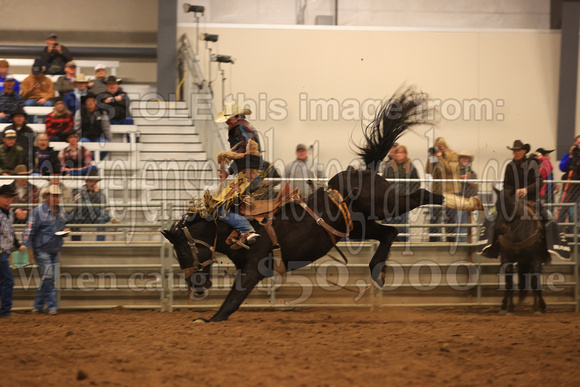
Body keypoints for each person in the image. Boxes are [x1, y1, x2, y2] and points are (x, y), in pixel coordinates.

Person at [480, 140, 569, 260]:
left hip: (531, 199)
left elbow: (539, 182)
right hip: (512, 200)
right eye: (514, 151)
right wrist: (513, 193)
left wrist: (526, 190)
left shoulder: (532, 164)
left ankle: (547, 250)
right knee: (493, 218)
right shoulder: (509, 166)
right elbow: (506, 184)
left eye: (518, 150)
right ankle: (492, 248)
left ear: (524, 151)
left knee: (549, 219)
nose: (516, 153)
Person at [23, 184, 70, 315]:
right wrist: (27, 247)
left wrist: (64, 231)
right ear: (46, 197)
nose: (56, 198)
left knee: (48, 278)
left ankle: (37, 306)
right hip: (41, 249)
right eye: (53, 196)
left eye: (57, 196)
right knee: (49, 276)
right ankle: (52, 306)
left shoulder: (60, 211)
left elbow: (62, 226)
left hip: (54, 248)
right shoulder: (37, 212)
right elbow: (28, 230)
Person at [0, 184, 27, 317]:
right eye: (5, 197)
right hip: (1, 253)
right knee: (8, 281)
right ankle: (5, 311)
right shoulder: (7, 213)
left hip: (5, 252)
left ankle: (5, 310)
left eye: (10, 197)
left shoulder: (9, 213)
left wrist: (18, 245)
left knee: (5, 281)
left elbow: (10, 232)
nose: (8, 200)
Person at [383, 145, 420, 242]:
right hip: (391, 200)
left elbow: (416, 183)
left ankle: (403, 242)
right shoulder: (389, 166)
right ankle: (389, 241)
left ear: (405, 154)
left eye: (401, 153)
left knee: (403, 222)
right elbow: (383, 181)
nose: (399, 155)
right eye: (397, 153)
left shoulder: (411, 166)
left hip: (404, 200)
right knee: (390, 221)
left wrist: (409, 194)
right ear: (394, 154)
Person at [425, 137, 459, 242]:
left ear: (444, 146)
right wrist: (431, 157)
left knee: (450, 216)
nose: (438, 149)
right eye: (436, 147)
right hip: (437, 190)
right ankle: (433, 239)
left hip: (450, 190)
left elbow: (450, 170)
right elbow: (428, 170)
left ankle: (451, 239)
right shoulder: (435, 155)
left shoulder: (452, 154)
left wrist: (441, 158)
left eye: (440, 147)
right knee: (434, 216)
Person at [71, 170, 119, 242]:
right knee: (86, 203)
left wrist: (96, 193)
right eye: (91, 181)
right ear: (86, 181)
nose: (93, 183)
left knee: (101, 220)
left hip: (95, 216)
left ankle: (100, 243)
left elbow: (103, 205)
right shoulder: (79, 191)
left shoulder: (99, 192)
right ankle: (109, 218)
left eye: (94, 182)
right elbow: (79, 204)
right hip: (82, 215)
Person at [557, 135, 580, 227]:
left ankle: (575, 238)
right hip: (567, 188)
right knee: (561, 211)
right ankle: (561, 234)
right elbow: (562, 167)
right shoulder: (568, 155)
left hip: (578, 190)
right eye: (578, 143)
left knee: (575, 215)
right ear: (574, 143)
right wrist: (570, 156)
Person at [456, 150, 478, 243]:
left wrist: (468, 179)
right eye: (463, 158)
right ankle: (459, 242)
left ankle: (465, 242)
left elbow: (474, 185)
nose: (465, 160)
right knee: (458, 223)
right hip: (457, 201)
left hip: (469, 202)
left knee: (466, 225)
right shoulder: (456, 172)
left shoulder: (472, 173)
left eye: (466, 158)